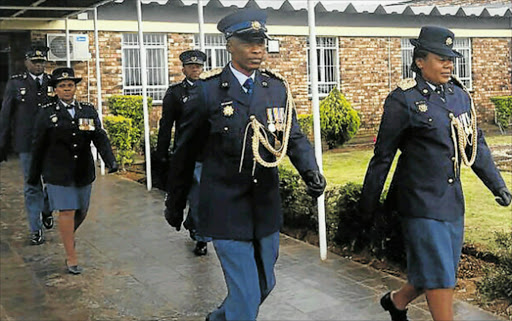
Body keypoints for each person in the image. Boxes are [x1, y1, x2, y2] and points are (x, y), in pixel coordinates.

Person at [165, 8, 326, 321]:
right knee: (247, 294)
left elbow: (292, 137)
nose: (257, 49)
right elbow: (183, 155)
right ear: (229, 45)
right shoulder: (207, 91)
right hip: (224, 205)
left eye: (261, 42)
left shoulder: (276, 88)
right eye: (249, 42)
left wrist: (310, 171)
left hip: (264, 205)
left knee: (265, 283)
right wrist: (176, 203)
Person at [359, 26, 511, 321]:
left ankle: (396, 302)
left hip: (451, 201)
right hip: (419, 203)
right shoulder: (402, 100)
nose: (448, 64)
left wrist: (497, 185)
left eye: (450, 58)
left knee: (433, 269)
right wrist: (366, 208)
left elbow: (474, 143)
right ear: (419, 61)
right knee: (441, 275)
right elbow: (383, 158)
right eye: (440, 58)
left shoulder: (458, 96)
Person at [28, 67, 118, 274]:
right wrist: (34, 176)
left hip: (82, 171)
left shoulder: (87, 110)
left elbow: (99, 137)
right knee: (67, 211)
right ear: (55, 90)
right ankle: (71, 256)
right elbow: (38, 145)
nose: (67, 89)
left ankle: (65, 231)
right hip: (58, 172)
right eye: (62, 86)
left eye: (70, 85)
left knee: (82, 210)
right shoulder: (46, 112)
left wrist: (110, 160)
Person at [156, 49, 211, 256]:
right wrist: (161, 152)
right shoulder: (175, 93)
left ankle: (195, 224)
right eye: (191, 66)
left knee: (206, 198)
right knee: (196, 197)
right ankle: (200, 235)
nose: (195, 69)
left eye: (198, 66)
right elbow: (166, 124)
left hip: (210, 152)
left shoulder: (210, 89)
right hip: (189, 153)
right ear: (184, 69)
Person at [0, 45, 54, 245]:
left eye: (41, 62)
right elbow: (6, 115)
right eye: (35, 62)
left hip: (51, 143)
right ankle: (35, 228)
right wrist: (2, 143)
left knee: (54, 182)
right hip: (27, 144)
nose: (39, 65)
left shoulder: (53, 82)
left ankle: (47, 208)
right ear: (26, 62)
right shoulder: (15, 84)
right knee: (31, 186)